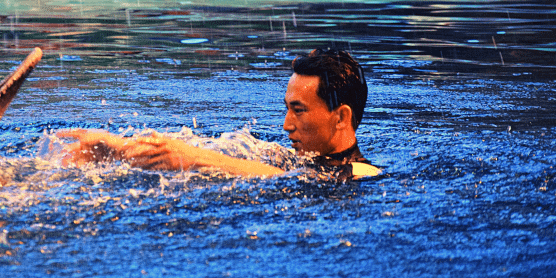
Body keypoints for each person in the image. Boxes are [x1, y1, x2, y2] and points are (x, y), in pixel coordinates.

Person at [61, 49, 380, 181]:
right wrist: (118, 147)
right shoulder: (292, 159)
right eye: (287, 109)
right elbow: (210, 149)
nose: (286, 125)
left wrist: (192, 158)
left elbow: (290, 180)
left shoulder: (367, 176)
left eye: (299, 111)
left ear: (341, 117)